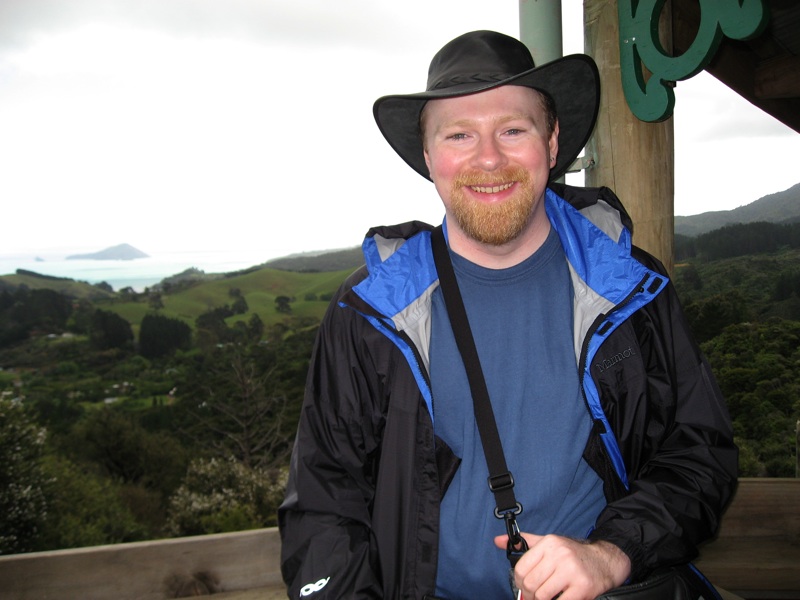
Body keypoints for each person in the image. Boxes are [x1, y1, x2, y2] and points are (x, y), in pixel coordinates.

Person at [279, 30, 738, 600]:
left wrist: (613, 552)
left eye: (513, 130)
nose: (488, 158)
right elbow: (323, 501)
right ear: (429, 157)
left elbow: (698, 454)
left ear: (551, 145)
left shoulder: (631, 287)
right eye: (459, 135)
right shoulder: (370, 311)